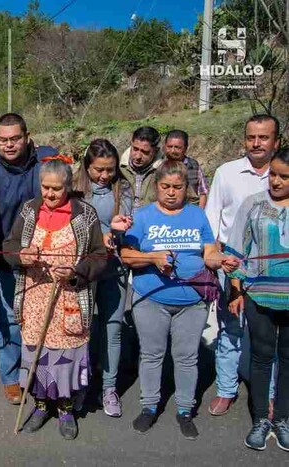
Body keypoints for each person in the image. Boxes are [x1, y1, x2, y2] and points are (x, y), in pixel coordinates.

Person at [122, 160, 240, 440]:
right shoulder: (143, 216)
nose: (172, 192)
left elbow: (209, 253)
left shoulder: (197, 216)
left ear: (186, 188)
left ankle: (185, 410)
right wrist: (152, 257)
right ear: (157, 187)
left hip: (192, 300)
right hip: (151, 297)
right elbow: (127, 256)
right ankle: (149, 406)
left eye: (177, 187)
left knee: (187, 357)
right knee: (151, 354)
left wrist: (222, 261)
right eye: (165, 187)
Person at [4, 157, 107, 439]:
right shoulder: (29, 210)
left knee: (64, 356)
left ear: (68, 186)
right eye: (45, 187)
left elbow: (99, 255)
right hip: (34, 296)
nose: (49, 194)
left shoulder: (85, 214)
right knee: (37, 353)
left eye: (56, 189)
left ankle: (64, 408)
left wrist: (76, 271)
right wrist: (19, 255)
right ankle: (39, 405)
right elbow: (10, 245)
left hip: (69, 298)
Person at [0, 113, 56, 404]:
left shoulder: (46, 161)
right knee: (10, 319)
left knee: (44, 319)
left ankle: (39, 373)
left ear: (27, 136)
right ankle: (10, 378)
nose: (9, 145)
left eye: (15, 138)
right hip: (7, 260)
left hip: (47, 258)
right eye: (3, 140)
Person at [205, 114, 280, 416]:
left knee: (267, 335)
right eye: (251, 137)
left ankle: (269, 393)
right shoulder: (227, 172)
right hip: (232, 263)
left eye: (263, 137)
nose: (256, 143)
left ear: (276, 141)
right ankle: (226, 389)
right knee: (230, 329)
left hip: (272, 270)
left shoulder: (282, 175)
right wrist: (214, 260)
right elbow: (211, 220)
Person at [225, 148, 289, 451]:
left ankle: (283, 419)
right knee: (262, 358)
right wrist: (236, 290)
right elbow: (237, 249)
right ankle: (261, 419)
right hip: (259, 296)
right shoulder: (254, 204)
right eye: (273, 174)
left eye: (283, 176)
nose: (275, 181)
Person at [73, 139, 133, 417]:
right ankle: (79, 384)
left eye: (109, 170)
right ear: (87, 166)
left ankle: (109, 387)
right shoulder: (75, 189)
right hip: (84, 270)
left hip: (114, 268)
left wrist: (116, 233)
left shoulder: (123, 188)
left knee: (113, 327)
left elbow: (125, 221)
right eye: (98, 169)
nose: (104, 176)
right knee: (81, 328)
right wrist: (102, 234)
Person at [119, 126, 164, 213]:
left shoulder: (165, 171)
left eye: (145, 152)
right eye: (135, 149)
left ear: (155, 151)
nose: (138, 156)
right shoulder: (117, 168)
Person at [163, 130, 209, 208]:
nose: (172, 151)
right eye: (170, 147)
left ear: (185, 148)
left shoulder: (193, 166)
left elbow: (203, 193)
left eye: (177, 147)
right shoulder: (159, 166)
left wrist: (199, 214)